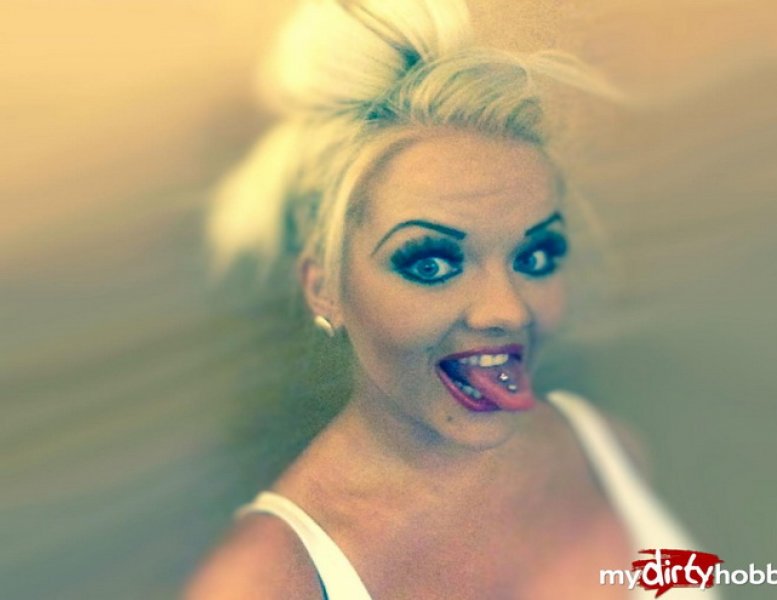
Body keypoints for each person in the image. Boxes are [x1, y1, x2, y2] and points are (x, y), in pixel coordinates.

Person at [187, 1, 720, 598]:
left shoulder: (604, 447)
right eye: (432, 263)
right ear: (324, 286)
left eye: (533, 257)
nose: (507, 311)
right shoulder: (263, 581)